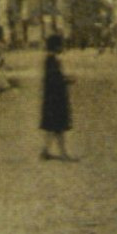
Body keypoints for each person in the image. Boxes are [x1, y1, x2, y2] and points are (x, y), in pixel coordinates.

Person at [39, 33, 75, 161]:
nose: (63, 47)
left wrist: (65, 79)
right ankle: (63, 154)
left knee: (52, 127)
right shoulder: (52, 60)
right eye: (61, 45)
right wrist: (67, 80)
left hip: (51, 98)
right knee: (58, 126)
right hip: (56, 98)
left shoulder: (50, 59)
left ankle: (45, 151)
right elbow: (54, 79)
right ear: (56, 46)